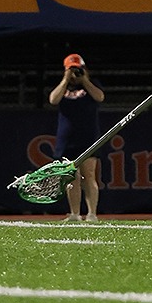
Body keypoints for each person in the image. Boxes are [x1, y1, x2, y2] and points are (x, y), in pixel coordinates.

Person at [46, 53, 105, 221]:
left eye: (77, 69)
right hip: (67, 139)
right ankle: (74, 213)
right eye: (71, 70)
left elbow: (100, 97)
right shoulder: (63, 88)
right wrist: (65, 79)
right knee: (70, 177)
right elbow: (53, 100)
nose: (74, 73)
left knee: (89, 175)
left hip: (88, 137)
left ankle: (92, 213)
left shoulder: (91, 85)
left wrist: (84, 80)